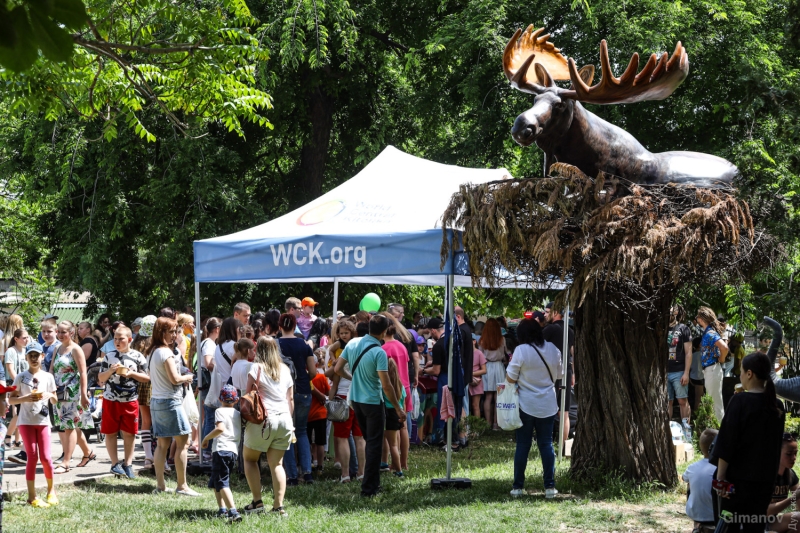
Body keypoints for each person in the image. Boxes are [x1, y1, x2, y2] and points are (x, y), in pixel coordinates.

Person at [712, 352, 784, 532]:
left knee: (730, 527)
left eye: (742, 372)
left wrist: (720, 478)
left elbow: (727, 442)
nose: (741, 376)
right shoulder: (777, 406)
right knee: (756, 527)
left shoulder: (739, 401)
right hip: (765, 483)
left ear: (749, 374)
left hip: (736, 484)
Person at [334, 314, 404, 497]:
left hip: (355, 401)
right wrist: (397, 408)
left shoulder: (353, 343)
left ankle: (370, 483)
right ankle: (369, 488)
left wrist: (353, 377)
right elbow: (387, 385)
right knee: (374, 445)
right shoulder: (379, 352)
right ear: (383, 331)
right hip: (372, 402)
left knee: (368, 441)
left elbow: (337, 369)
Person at [507, 318, 562, 498]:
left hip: (525, 404)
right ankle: (549, 487)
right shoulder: (553, 349)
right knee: (546, 444)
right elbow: (559, 374)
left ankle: (517, 487)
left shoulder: (521, 350)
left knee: (523, 444)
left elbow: (510, 378)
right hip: (548, 403)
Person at [242, 337, 294, 516]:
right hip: (285, 419)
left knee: (249, 459)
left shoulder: (255, 368)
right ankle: (278, 507)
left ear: (258, 350)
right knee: (277, 464)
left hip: (263, 419)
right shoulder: (286, 369)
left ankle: (257, 502)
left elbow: (248, 395)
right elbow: (290, 400)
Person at [147, 317, 199, 496]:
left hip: (156, 401)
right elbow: (175, 379)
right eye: (171, 331)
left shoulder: (152, 351)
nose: (175, 335)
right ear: (161, 332)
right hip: (170, 402)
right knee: (183, 443)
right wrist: (188, 377)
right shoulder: (166, 353)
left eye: (176, 331)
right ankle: (182, 486)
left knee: (162, 445)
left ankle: (160, 486)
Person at [10, 343, 58, 507]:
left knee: (45, 457)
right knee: (32, 456)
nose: (34, 358)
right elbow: (11, 399)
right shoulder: (21, 377)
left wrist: (48, 395)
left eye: (37, 355)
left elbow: (55, 398)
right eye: (31, 355)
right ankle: (32, 496)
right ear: (26, 358)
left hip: (43, 421)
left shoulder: (48, 376)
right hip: (26, 422)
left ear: (42, 357)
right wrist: (25, 398)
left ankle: (51, 491)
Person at [97, 326, 149, 479]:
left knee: (129, 433)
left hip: (130, 400)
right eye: (115, 339)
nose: (118, 342)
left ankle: (128, 463)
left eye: (121, 339)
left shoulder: (138, 356)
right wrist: (111, 371)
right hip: (110, 399)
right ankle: (115, 463)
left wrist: (131, 373)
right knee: (110, 432)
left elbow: (147, 377)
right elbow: (101, 378)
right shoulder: (109, 356)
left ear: (130, 340)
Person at [52, 321, 96, 473]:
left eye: (64, 331)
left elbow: (84, 373)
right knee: (70, 426)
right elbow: (52, 369)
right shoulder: (57, 348)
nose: (60, 334)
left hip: (72, 392)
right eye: (59, 331)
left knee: (68, 427)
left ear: (72, 332)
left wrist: (84, 394)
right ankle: (88, 452)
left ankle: (66, 462)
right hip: (58, 393)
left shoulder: (76, 349)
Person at [277, 312, 316, 485]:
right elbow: (313, 372)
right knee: (301, 431)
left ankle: (292, 475)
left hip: (283, 394)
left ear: (280, 327)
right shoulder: (304, 344)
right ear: (295, 326)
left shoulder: (275, 345)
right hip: (303, 391)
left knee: (286, 433)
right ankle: (307, 473)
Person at [326, 319, 365, 483]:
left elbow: (332, 373)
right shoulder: (363, 348)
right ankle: (362, 473)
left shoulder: (342, 353)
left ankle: (345, 474)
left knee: (342, 437)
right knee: (359, 437)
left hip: (342, 397)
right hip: (360, 396)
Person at [202, 384, 242, 523]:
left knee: (223, 482)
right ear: (236, 400)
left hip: (221, 450)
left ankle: (233, 511)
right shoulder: (238, 413)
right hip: (233, 451)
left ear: (220, 399)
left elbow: (220, 429)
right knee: (216, 481)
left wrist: (206, 438)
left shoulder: (219, 411)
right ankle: (222, 509)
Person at [379, 312, 413, 471]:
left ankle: (394, 462)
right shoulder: (402, 346)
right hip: (404, 388)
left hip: (391, 390)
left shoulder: (383, 349)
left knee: (391, 429)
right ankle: (404, 463)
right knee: (403, 427)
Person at [203, 317, 241, 460]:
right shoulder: (234, 346)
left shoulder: (218, 346)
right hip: (233, 388)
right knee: (232, 423)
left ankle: (212, 451)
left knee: (217, 422)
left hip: (220, 389)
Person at [543, 303, 574, 443]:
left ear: (556, 313)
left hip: (551, 372)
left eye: (547, 312)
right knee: (564, 412)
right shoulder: (570, 330)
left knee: (548, 409)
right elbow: (573, 353)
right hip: (566, 371)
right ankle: (562, 444)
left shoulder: (549, 329)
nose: (544, 314)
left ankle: (547, 443)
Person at [696, 306, 729, 422]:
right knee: (714, 402)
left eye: (698, 317)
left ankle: (720, 433)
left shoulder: (710, 333)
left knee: (716, 404)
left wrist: (722, 358)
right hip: (710, 370)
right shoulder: (709, 332)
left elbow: (724, 347)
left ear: (701, 319)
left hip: (713, 369)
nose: (696, 319)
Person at [682, 428, 718, 532]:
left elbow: (684, 479)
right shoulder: (721, 469)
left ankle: (697, 526)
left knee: (690, 482)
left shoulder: (692, 467)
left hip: (696, 514)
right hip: (717, 515)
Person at [667, 304, 693, 441]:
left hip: (679, 371)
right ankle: (667, 432)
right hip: (664, 371)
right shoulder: (662, 328)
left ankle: (686, 433)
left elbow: (689, 352)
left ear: (676, 312)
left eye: (670, 309)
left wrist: (686, 373)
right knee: (667, 402)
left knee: (682, 400)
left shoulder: (684, 328)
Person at [766, 433, 800, 532]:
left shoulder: (790, 475)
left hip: (773, 522)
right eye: (789, 454)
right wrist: (793, 498)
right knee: (797, 519)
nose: (793, 458)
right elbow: (764, 511)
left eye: (795, 453)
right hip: (753, 522)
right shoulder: (765, 475)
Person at [3, 328, 29, 456]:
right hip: (14, 385)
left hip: (27, 385)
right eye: (24, 338)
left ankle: (18, 440)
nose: (26, 340)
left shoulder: (27, 350)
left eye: (27, 337)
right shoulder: (11, 351)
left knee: (21, 413)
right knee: (18, 413)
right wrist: (19, 384)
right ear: (16, 339)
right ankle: (8, 436)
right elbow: (10, 368)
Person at [479, 318, 507, 431]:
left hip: (487, 367)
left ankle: (488, 423)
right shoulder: (502, 339)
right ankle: (496, 423)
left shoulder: (482, 341)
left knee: (488, 397)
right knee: (498, 397)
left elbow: (480, 356)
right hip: (499, 367)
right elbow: (505, 354)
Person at [383, 358, 407, 477]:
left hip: (388, 413)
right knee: (393, 443)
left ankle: (398, 471)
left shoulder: (384, 387)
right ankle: (385, 463)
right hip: (398, 414)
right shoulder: (400, 386)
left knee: (393, 445)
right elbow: (404, 403)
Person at [308, 348, 330, 473]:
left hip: (308, 414)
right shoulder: (321, 377)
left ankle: (311, 461)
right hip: (321, 414)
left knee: (308, 440)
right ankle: (320, 466)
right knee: (320, 441)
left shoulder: (305, 378)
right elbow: (327, 392)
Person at [469, 334, 487, 420]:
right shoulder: (464, 353)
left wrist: (471, 373)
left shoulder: (479, 353)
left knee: (475, 405)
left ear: (474, 341)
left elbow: (484, 370)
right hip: (467, 381)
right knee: (467, 405)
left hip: (476, 382)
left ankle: (476, 429)